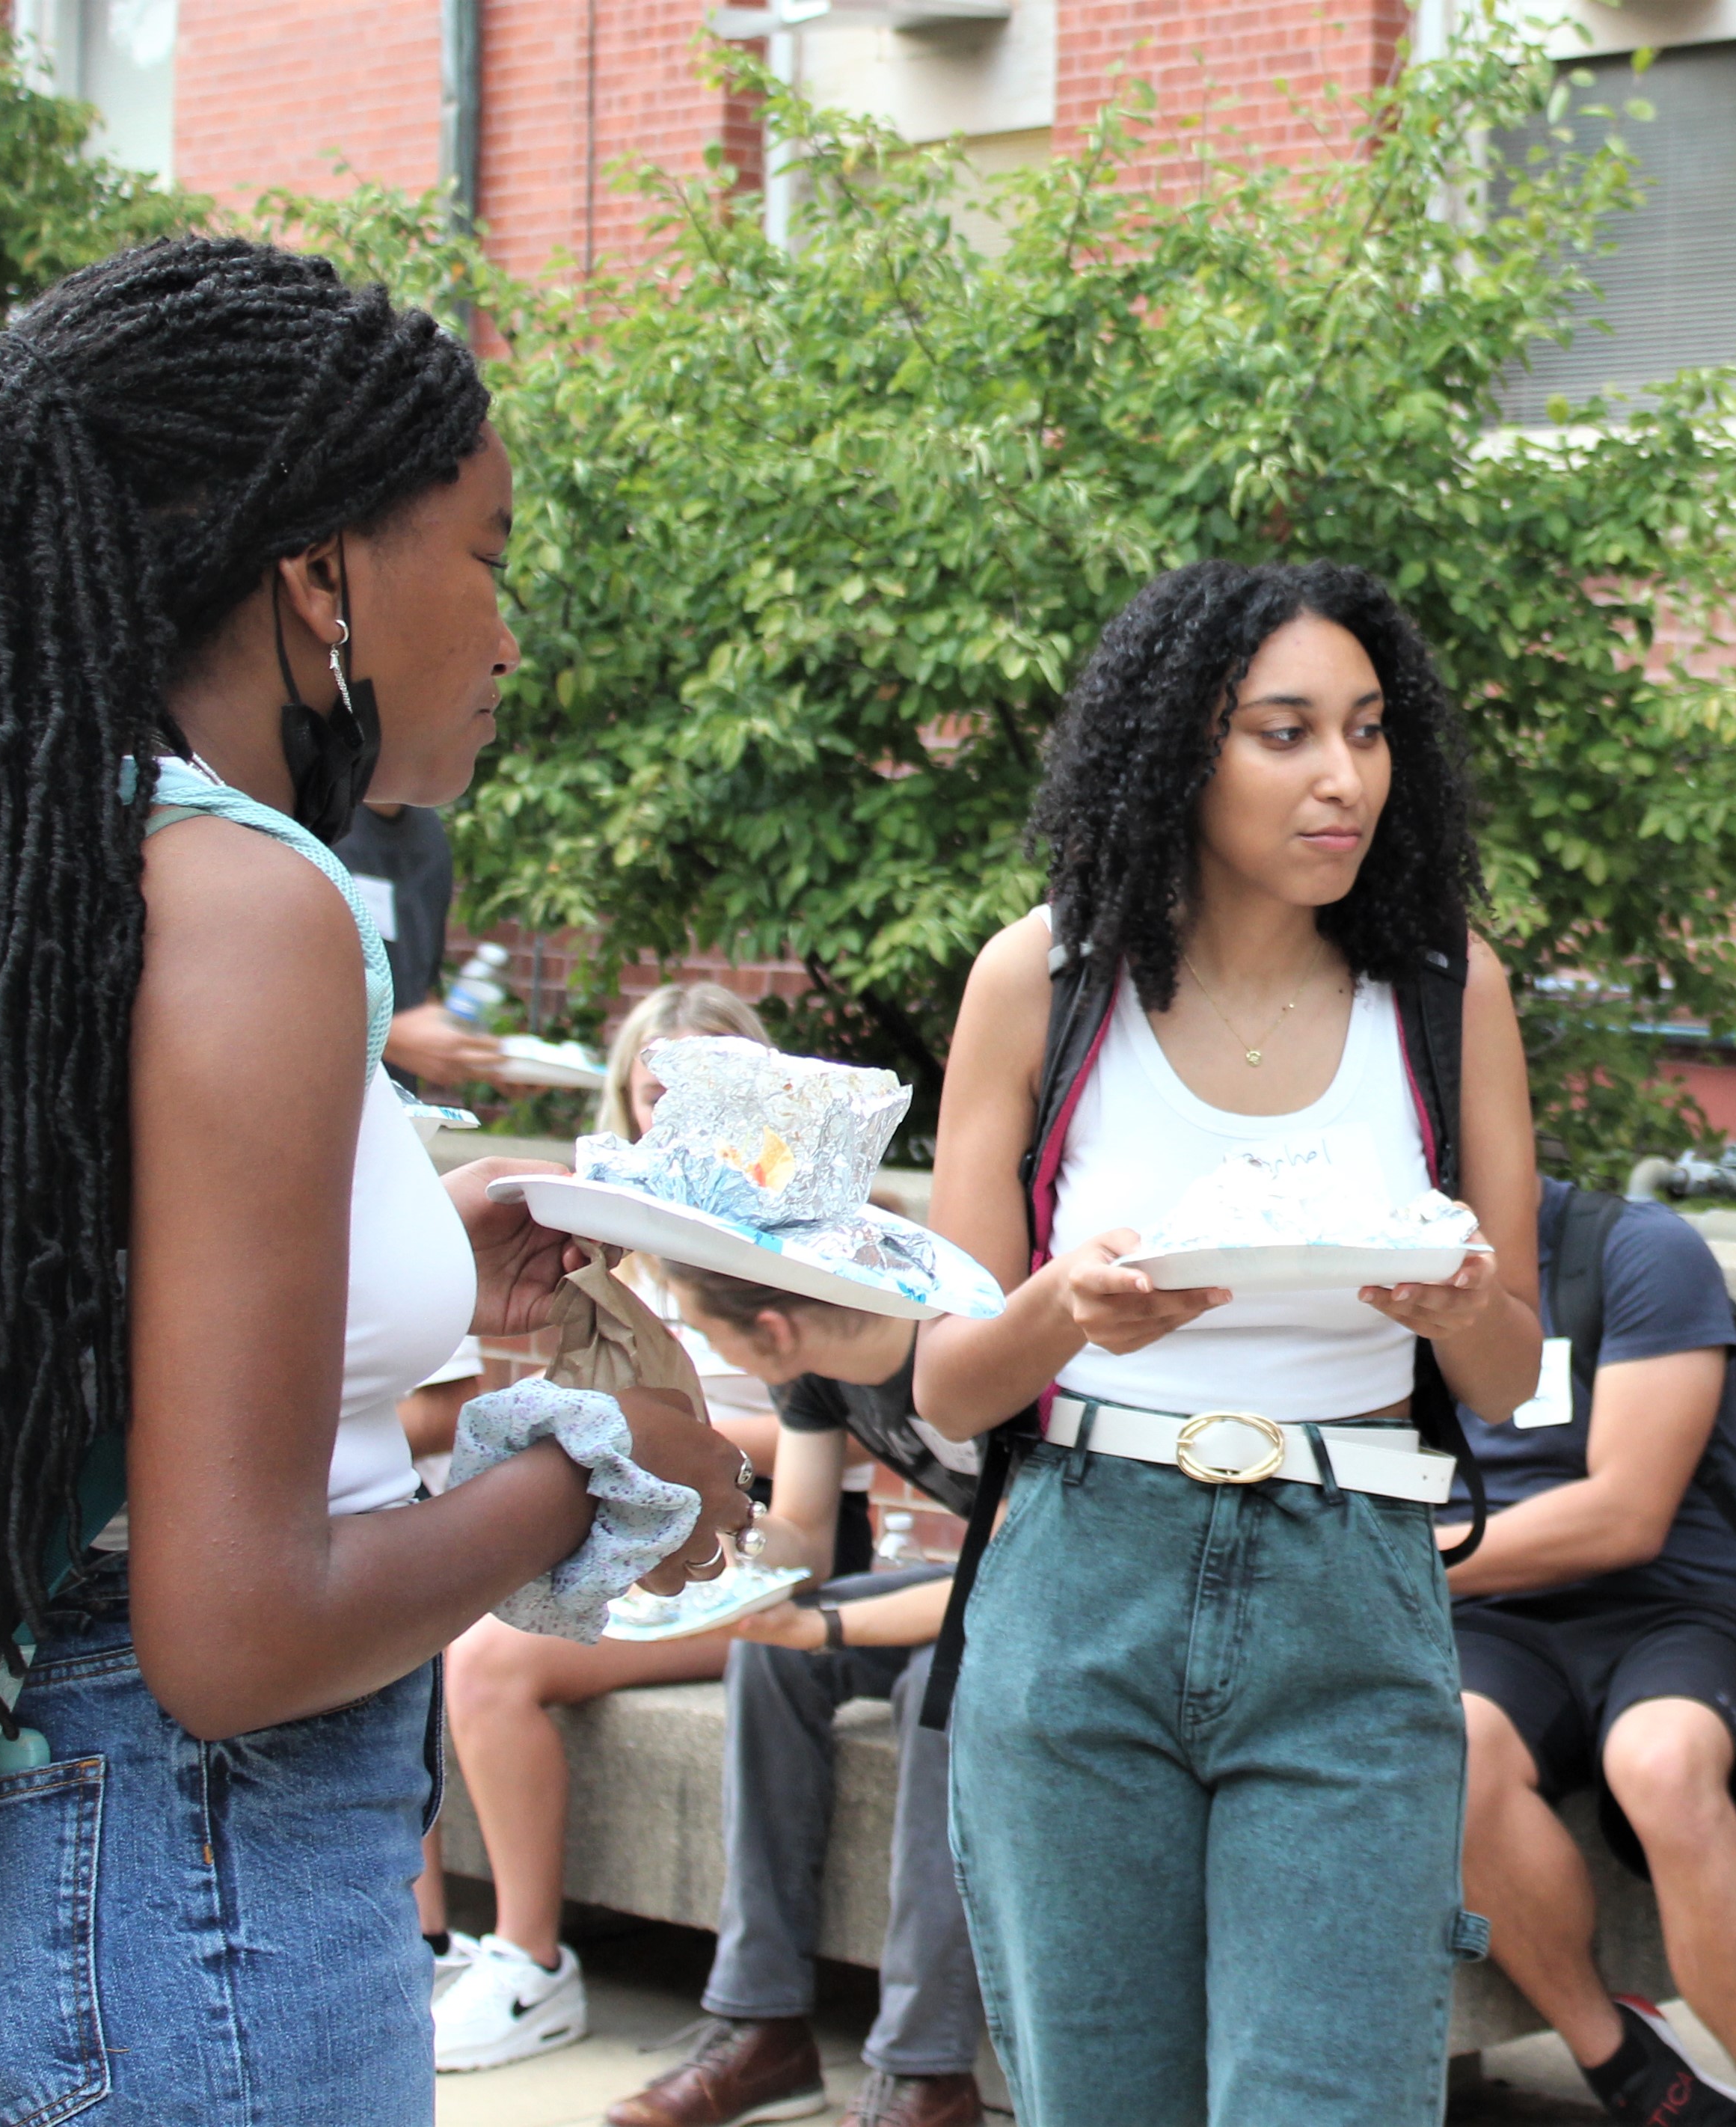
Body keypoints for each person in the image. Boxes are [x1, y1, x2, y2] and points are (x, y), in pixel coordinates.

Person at [0, 236, 751, 2123]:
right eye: (490, 555)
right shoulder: (250, 895)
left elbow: (80, 1275)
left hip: (38, 1895)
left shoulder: (44, 857)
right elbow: (237, 1631)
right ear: (320, 570)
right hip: (186, 1908)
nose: (509, 634)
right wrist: (600, 1472)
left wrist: (413, 1239)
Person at [909, 559, 1544, 2126]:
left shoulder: (1446, 992)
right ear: (1177, 751)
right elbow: (940, 1384)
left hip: (1352, 1581)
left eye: (1369, 730)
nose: (1344, 778)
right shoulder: (1038, 980)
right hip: (1078, 1574)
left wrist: (1461, 1309)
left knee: (1335, 2098)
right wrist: (1062, 1308)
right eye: (1284, 733)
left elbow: (1514, 1373)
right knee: (1095, 2099)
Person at [426, 980, 802, 2070]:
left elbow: (868, 1440)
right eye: (657, 1089)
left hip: (775, 1560)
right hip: (646, 1544)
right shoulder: (605, 1239)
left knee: (492, 1663)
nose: (679, 1111)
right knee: (431, 1635)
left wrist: (689, 1439)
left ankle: (531, 1964)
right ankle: (424, 1946)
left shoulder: (817, 1240)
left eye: (711, 1087)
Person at [1450, 1179, 1736, 2127]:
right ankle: (1621, 2060)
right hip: (1493, 1615)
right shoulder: (1357, 1273)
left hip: (1677, 1605)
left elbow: (1626, 1515)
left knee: (1660, 1767)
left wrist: (1397, 1566)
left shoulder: (1634, 1250)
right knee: (1448, 1750)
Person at [605, 1265, 990, 2127]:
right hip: (982, 1584)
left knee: (941, 1682)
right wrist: (706, 1517)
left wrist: (829, 1631)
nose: (714, 1353)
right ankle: (760, 2029)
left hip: (1071, 1596)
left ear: (772, 1329)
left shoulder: (972, 1350)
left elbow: (1015, 1572)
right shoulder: (815, 1373)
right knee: (770, 1657)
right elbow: (805, 1548)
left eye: (717, 1334)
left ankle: (926, 2076)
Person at [336, 797, 507, 1090]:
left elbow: (420, 988)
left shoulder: (429, 833)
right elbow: (265, 992)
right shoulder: (311, 818)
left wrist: (474, 1055)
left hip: (390, 1105)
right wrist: (390, 1038)